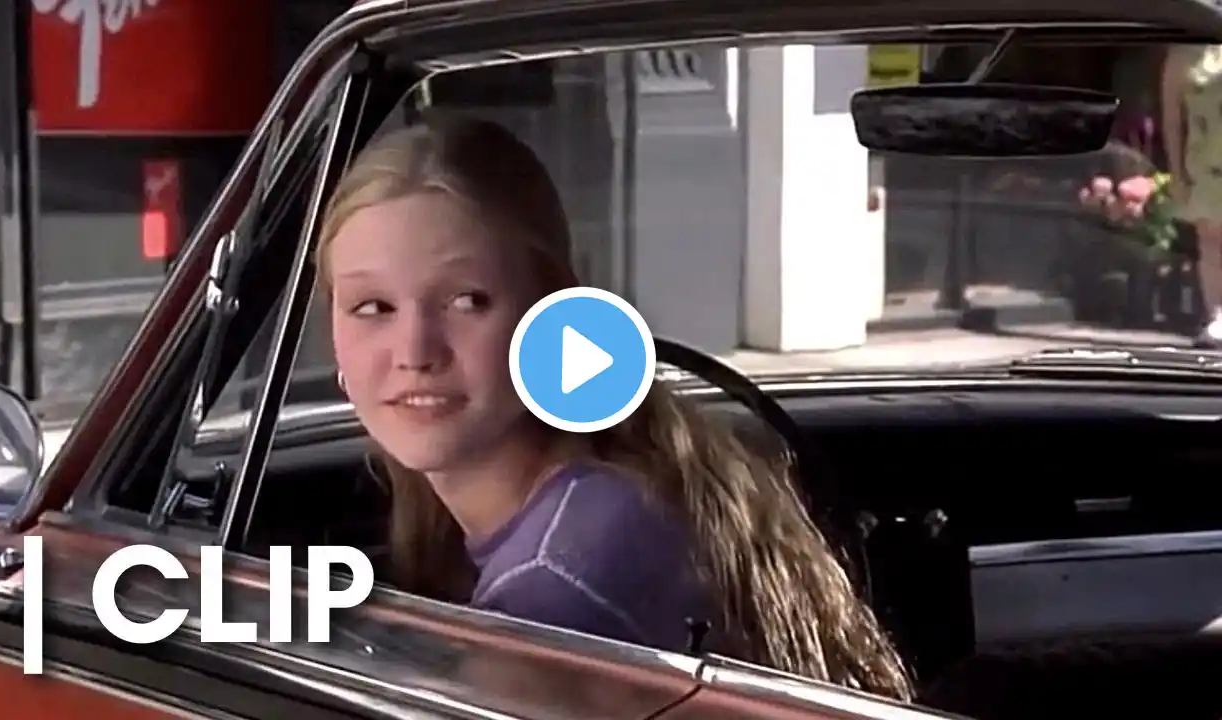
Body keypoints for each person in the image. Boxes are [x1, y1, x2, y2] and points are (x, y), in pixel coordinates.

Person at [314, 111, 912, 701]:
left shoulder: (552, 592)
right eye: (372, 307)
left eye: (467, 301)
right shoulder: (606, 483)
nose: (415, 352)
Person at [1162, 44, 1222, 346]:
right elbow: (1173, 120)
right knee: (1210, 241)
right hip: (1207, 163)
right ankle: (1218, 317)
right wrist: (1177, 174)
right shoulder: (1182, 53)